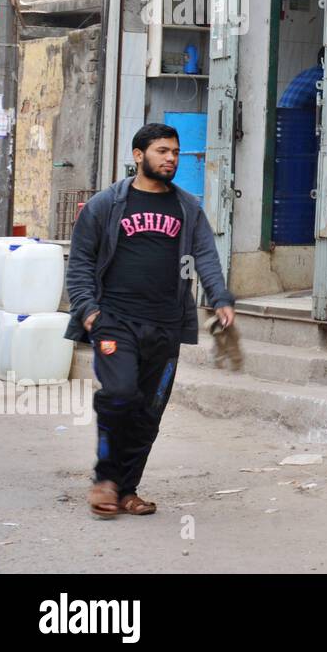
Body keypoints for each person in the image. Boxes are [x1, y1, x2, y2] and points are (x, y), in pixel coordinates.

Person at [66, 123, 236, 519]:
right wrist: (88, 310)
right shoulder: (107, 205)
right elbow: (80, 262)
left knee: (148, 412)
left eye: (175, 152)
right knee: (119, 394)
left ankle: (127, 490)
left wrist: (220, 298)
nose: (171, 158)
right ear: (138, 155)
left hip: (165, 325)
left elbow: (206, 256)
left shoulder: (187, 207)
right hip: (114, 321)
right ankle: (104, 479)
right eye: (162, 151)